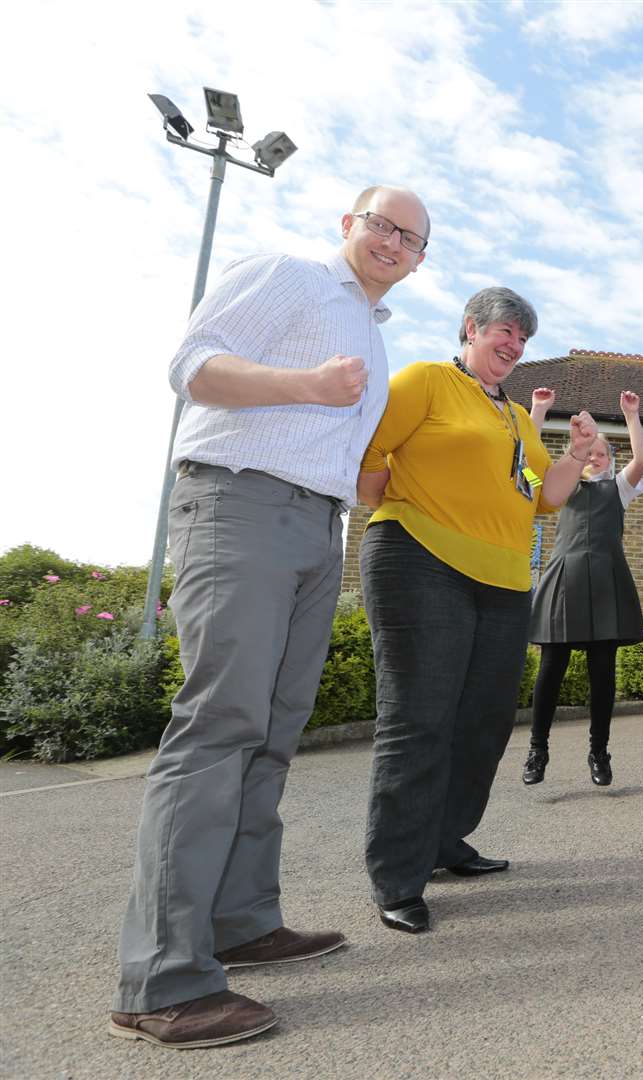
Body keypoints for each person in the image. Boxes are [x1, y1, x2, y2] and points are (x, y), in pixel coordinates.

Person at [111, 186, 429, 1049]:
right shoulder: (291, 277)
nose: (394, 242)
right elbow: (193, 365)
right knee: (220, 726)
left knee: (275, 728)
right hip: (238, 505)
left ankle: (240, 921)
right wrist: (308, 385)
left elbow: (349, 449)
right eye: (383, 225)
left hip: (317, 528)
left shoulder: (372, 328)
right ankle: (162, 980)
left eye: (412, 237)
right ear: (348, 225)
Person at [356, 287, 598, 936]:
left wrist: (575, 454)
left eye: (523, 339)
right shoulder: (427, 380)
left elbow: (547, 496)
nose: (515, 346)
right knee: (419, 719)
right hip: (420, 558)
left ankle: (444, 841)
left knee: (484, 721)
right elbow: (371, 452)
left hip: (501, 578)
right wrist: (399, 508)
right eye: (506, 332)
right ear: (472, 329)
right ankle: (398, 876)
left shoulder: (517, 418)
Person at [523, 390, 643, 787]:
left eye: (601, 454)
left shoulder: (620, 489)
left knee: (603, 675)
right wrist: (539, 411)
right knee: (551, 670)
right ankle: (537, 749)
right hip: (564, 582)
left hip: (606, 585)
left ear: (610, 461)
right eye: (588, 453)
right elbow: (525, 462)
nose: (594, 458)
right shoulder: (556, 489)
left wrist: (631, 415)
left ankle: (599, 751)